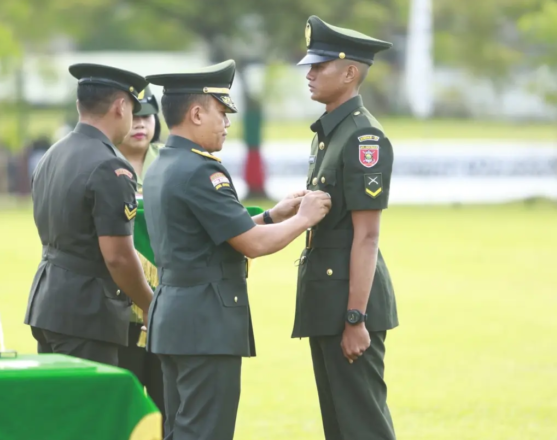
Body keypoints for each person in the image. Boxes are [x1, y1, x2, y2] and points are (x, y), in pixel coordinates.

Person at [141, 59, 333, 440]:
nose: (227, 123)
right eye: (221, 113)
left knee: (180, 428)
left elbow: (215, 232)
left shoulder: (165, 163)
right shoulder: (201, 171)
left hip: (176, 317)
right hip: (205, 323)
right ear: (196, 113)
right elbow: (252, 244)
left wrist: (274, 215)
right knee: (205, 431)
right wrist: (304, 218)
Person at [291, 15, 399, 440]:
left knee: (363, 425)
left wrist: (356, 317)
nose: (310, 73)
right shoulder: (327, 133)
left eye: (320, 66)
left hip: (349, 303)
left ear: (350, 73)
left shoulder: (362, 138)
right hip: (327, 296)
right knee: (338, 425)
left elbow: (367, 235)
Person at [23, 63, 155, 367]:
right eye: (134, 110)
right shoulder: (111, 167)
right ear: (121, 106)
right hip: (87, 313)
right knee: (91, 412)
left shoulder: (52, 154)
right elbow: (118, 256)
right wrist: (150, 305)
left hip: (49, 302)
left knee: (61, 410)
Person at [114, 86, 166, 416]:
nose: (140, 124)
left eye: (147, 116)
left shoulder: (170, 161)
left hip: (167, 305)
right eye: (134, 116)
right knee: (123, 408)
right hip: (119, 308)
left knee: (168, 404)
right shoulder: (105, 162)